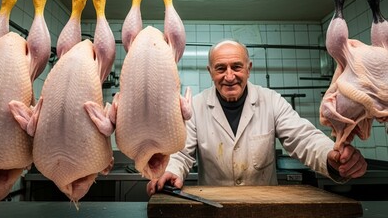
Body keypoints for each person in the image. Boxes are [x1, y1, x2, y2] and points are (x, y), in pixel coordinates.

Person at [147, 39, 367, 195]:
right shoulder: (195, 105)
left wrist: (330, 156)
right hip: (213, 208)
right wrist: (170, 171)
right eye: (221, 68)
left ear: (249, 69)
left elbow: (303, 138)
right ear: (210, 72)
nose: (230, 76)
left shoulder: (271, 100)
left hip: (263, 207)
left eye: (237, 67)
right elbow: (182, 153)